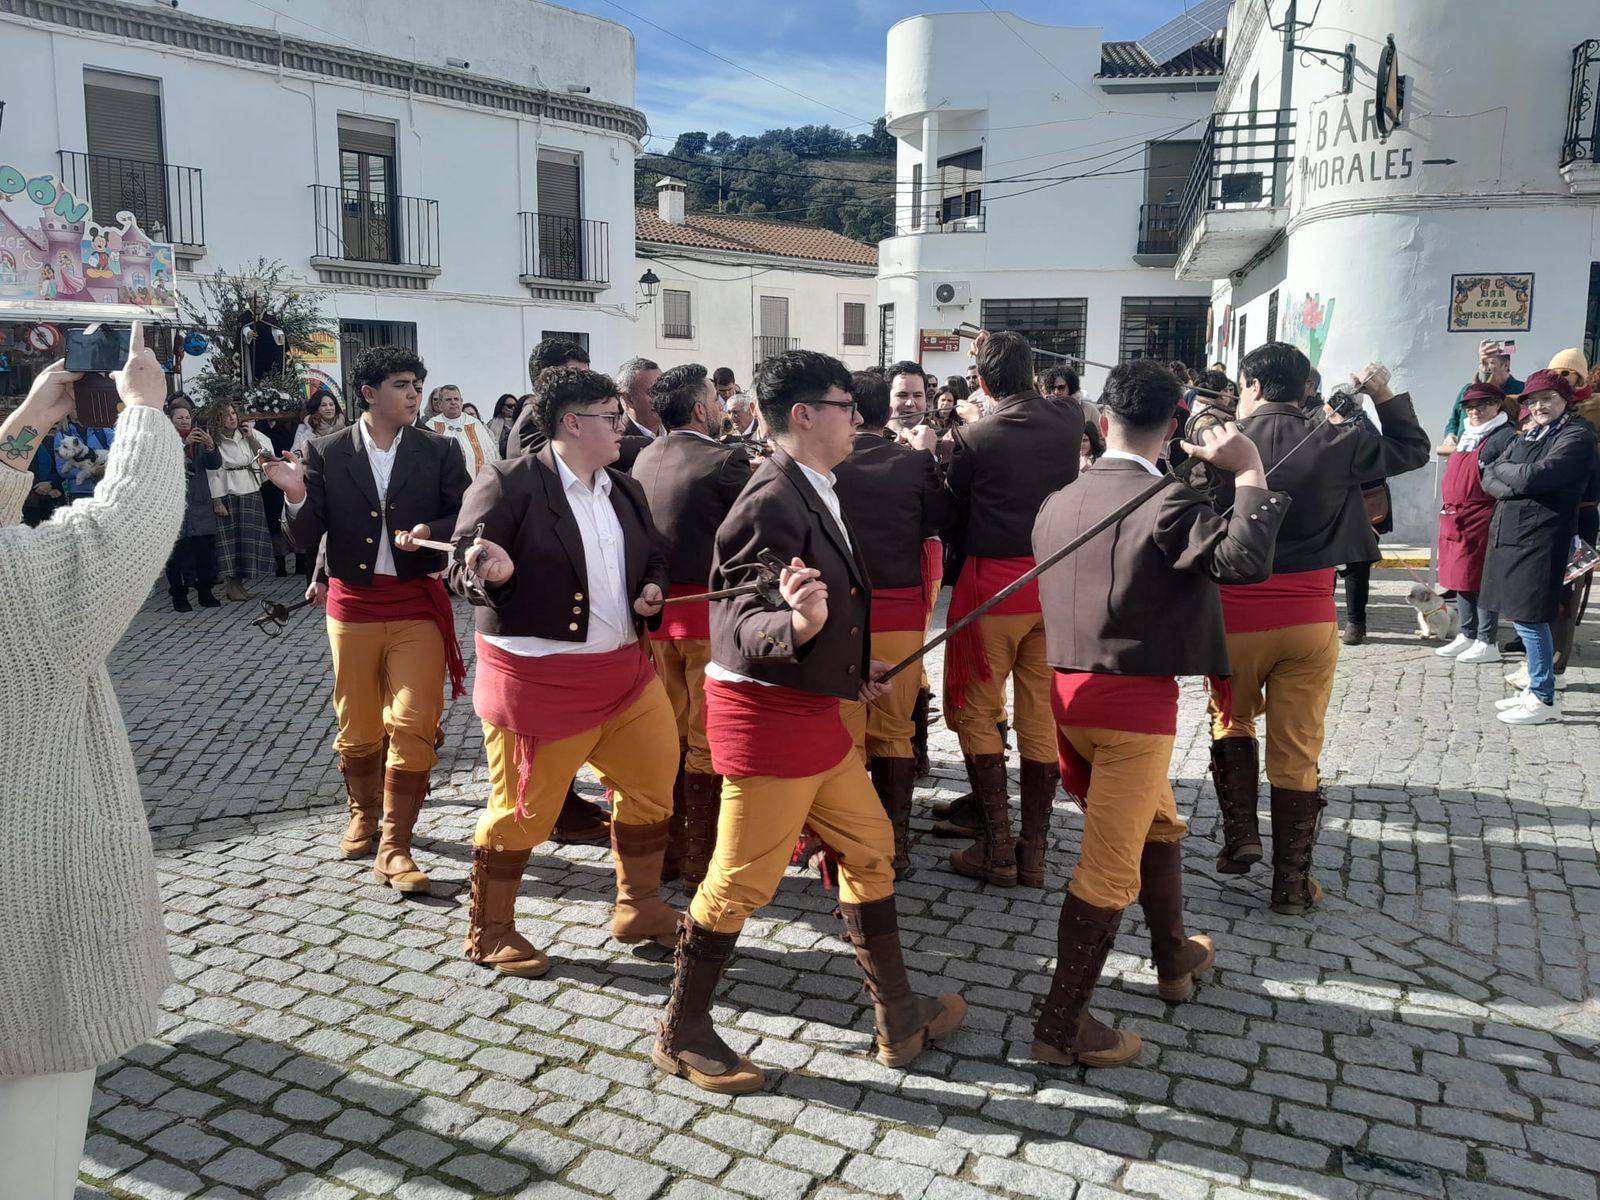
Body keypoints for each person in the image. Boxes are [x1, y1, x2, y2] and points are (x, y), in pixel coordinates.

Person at [653, 350, 966, 1096]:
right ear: (803, 415)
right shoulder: (770, 497)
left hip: (814, 712)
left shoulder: (814, 484)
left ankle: (898, 1015)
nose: (859, 417)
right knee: (736, 883)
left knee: (869, 846)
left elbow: (815, 610)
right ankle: (682, 1030)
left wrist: (843, 668)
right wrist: (795, 630)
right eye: (844, 405)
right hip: (768, 721)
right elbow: (743, 618)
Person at [1028, 358, 1286, 1068]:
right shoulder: (1169, 501)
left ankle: (1173, 958)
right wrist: (1250, 466)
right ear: (1173, 427)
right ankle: (1061, 1025)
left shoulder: (1060, 500)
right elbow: (1244, 563)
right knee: (1108, 869)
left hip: (1068, 697)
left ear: (1103, 421)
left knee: (1161, 821)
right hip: (1131, 706)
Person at [0, 323, 181, 1200]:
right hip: (20, 927)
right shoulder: (17, 601)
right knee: (29, 1151)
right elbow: (121, 533)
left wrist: (27, 426)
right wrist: (145, 412)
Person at [448, 366, 679, 976]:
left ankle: (639, 906)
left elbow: (654, 552)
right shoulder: (507, 482)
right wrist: (489, 573)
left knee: (655, 784)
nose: (623, 427)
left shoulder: (623, 487)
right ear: (573, 423)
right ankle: (490, 929)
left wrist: (652, 585)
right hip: (539, 683)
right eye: (612, 417)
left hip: (626, 674)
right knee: (524, 811)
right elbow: (460, 567)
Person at [1206, 346, 1428, 913]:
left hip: (1233, 616)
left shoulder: (1223, 440)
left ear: (1251, 383)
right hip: (1307, 618)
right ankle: (1291, 885)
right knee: (1298, 749)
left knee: (1230, 719)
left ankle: (1241, 835)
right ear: (1304, 387)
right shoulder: (1335, 438)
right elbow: (1411, 450)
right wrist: (1381, 394)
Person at [262, 346, 471, 894]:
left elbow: (466, 512)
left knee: (413, 720)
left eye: (417, 385)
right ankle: (362, 810)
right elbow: (306, 537)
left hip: (414, 603)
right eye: (402, 384)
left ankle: (395, 845)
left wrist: (430, 529)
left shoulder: (440, 450)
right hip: (352, 604)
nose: (413, 394)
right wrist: (297, 494)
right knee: (356, 721)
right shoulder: (327, 451)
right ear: (369, 392)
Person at [938, 330, 1084, 888]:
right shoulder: (1069, 417)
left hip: (992, 586)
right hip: (1051, 583)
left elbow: (953, 512)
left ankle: (997, 848)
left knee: (976, 709)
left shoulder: (973, 436)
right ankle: (1035, 851)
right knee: (1039, 715)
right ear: (1034, 371)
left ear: (980, 381)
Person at [627, 365, 751, 890]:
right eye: (714, 399)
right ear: (700, 409)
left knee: (670, 732)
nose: (722, 406)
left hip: (656, 620)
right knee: (704, 737)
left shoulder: (643, 455)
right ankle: (701, 855)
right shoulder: (725, 459)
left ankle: (675, 848)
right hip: (705, 617)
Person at [833, 370, 949, 874]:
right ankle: (895, 844)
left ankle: (851, 846)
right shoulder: (912, 463)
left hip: (840, 611)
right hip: (900, 608)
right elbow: (937, 523)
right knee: (895, 732)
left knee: (845, 736)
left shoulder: (822, 465)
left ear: (852, 411)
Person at [1480, 369, 1597, 725]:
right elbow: (1488, 475)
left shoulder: (1577, 435)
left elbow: (1536, 475)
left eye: (1548, 398)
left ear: (1566, 400)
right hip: (1510, 532)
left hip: (1543, 536)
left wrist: (1509, 473)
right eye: (1533, 400)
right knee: (1516, 612)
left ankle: (1544, 696)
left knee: (1532, 616)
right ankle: (1532, 686)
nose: (1540, 405)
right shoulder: (1531, 433)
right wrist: (1511, 478)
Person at [1435, 381, 1516, 663]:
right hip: (1456, 517)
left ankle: (1486, 639)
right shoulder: (1467, 434)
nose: (1475, 411)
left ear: (1497, 405)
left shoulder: (1503, 436)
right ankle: (1467, 633)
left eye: (1482, 405)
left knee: (1481, 580)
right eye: (1470, 406)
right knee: (1460, 579)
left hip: (1482, 516)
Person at [1333, 400, 1395, 647]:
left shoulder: (1363, 430)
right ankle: (1325, 619)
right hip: (1334, 504)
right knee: (1327, 565)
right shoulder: (1330, 426)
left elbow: (1374, 470)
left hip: (1364, 505)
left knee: (1357, 568)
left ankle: (1356, 623)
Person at [206, 400, 276, 601]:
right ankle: (231, 584)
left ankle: (241, 584)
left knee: (248, 541)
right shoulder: (215, 441)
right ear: (218, 419)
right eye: (226, 414)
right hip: (228, 492)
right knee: (230, 542)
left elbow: (268, 454)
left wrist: (251, 437)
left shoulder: (246, 435)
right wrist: (217, 501)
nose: (232, 418)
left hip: (250, 489)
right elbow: (213, 473)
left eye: (233, 414)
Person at [165, 397, 223, 611]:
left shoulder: (199, 439)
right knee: (177, 555)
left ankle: (205, 593)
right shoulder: (164, 441)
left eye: (187, 417)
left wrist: (210, 447)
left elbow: (214, 465)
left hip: (199, 503)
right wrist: (183, 445)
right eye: (179, 418)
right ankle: (179, 596)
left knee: (205, 553)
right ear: (170, 421)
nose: (184, 421)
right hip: (175, 505)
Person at [506, 339, 592, 456]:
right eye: (575, 375)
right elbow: (566, 456)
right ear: (547, 380)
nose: (586, 383)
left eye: (587, 376)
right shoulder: (534, 417)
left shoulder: (557, 410)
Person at [1439, 340, 1524, 455]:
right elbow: (1453, 422)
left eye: (1490, 363)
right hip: (1462, 454)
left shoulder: (1522, 390)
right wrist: (1450, 436)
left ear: (1506, 365)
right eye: (1481, 363)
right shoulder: (1468, 390)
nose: (1484, 368)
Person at [425, 384, 502, 480]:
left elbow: (491, 455)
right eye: (448, 399)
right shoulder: (431, 426)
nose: (453, 402)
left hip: (475, 484)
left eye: (456, 399)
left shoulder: (475, 424)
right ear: (440, 404)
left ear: (461, 402)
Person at [617, 356, 663, 470]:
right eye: (653, 392)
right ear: (629, 399)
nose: (662, 397)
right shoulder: (617, 445)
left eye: (665, 389)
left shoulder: (677, 430)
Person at [292, 389, 348, 457]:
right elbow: (295, 454)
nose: (328, 408)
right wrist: (310, 430)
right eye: (323, 405)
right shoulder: (304, 427)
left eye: (331, 404)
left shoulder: (343, 426)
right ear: (316, 408)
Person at [885, 361, 927, 430]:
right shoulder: (872, 437)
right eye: (902, 395)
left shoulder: (945, 438)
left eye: (917, 395)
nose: (910, 403)